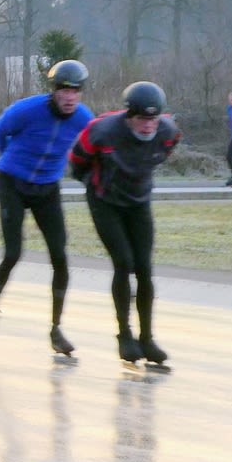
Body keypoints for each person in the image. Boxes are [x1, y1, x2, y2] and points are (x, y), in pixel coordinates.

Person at [0, 60, 94, 354]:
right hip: (13, 183)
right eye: (64, 90)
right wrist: (9, 160)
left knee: (60, 256)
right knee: (13, 253)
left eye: (75, 91)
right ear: (54, 91)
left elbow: (92, 145)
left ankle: (56, 329)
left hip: (47, 187)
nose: (70, 97)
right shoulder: (28, 109)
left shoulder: (83, 118)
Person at [69, 81, 180, 364]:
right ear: (129, 116)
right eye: (142, 119)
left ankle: (147, 339)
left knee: (144, 267)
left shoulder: (167, 131)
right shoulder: (103, 131)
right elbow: (76, 161)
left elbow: (166, 149)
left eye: (152, 119)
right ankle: (124, 335)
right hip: (105, 201)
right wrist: (94, 183)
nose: (147, 126)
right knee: (124, 262)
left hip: (138, 201)